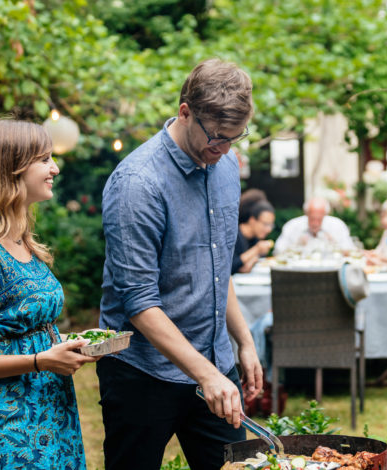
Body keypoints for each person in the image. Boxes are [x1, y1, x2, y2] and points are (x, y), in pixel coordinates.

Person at [97, 58, 263, 469]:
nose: (223, 150)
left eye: (234, 139)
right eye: (216, 138)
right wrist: (205, 374)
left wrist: (242, 339)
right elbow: (138, 303)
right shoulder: (137, 183)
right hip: (142, 373)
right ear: (185, 112)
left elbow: (217, 265)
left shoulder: (226, 165)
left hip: (215, 363)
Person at [0, 119, 97, 469]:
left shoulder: (23, 242)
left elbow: (17, 335)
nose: (54, 168)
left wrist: (69, 344)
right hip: (6, 431)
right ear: (10, 168)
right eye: (43, 159)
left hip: (54, 417)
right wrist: (40, 361)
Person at [273, 197, 355, 255]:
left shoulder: (337, 225)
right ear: (306, 213)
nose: (315, 223)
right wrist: (296, 246)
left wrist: (335, 245)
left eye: (319, 219)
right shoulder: (292, 226)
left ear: (325, 214)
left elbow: (351, 251)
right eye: (312, 219)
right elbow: (277, 252)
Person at [233, 198, 276, 274]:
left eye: (271, 225)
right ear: (252, 220)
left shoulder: (256, 238)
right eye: (265, 224)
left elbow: (245, 267)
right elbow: (231, 266)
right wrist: (256, 249)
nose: (269, 229)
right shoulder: (234, 235)